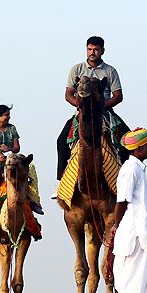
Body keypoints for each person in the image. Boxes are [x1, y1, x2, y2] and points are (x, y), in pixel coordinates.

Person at [55, 36, 129, 184]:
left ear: (102, 51)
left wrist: (100, 106)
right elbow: (68, 94)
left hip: (105, 112)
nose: (92, 52)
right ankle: (62, 180)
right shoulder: (76, 70)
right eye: (89, 49)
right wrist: (80, 105)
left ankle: (126, 180)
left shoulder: (110, 71)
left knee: (128, 140)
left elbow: (118, 96)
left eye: (96, 49)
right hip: (81, 113)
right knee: (61, 140)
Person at [109, 128, 147, 293]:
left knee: (140, 273)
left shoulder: (138, 169)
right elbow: (122, 201)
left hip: (142, 229)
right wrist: (116, 225)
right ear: (137, 149)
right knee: (130, 272)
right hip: (132, 230)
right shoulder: (130, 170)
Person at [0, 104, 43, 214]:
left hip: (9, 158)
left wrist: (9, 148)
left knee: (30, 167)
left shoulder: (12, 128)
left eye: (9, 114)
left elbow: (17, 148)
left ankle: (34, 200)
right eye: (6, 115)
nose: (9, 117)